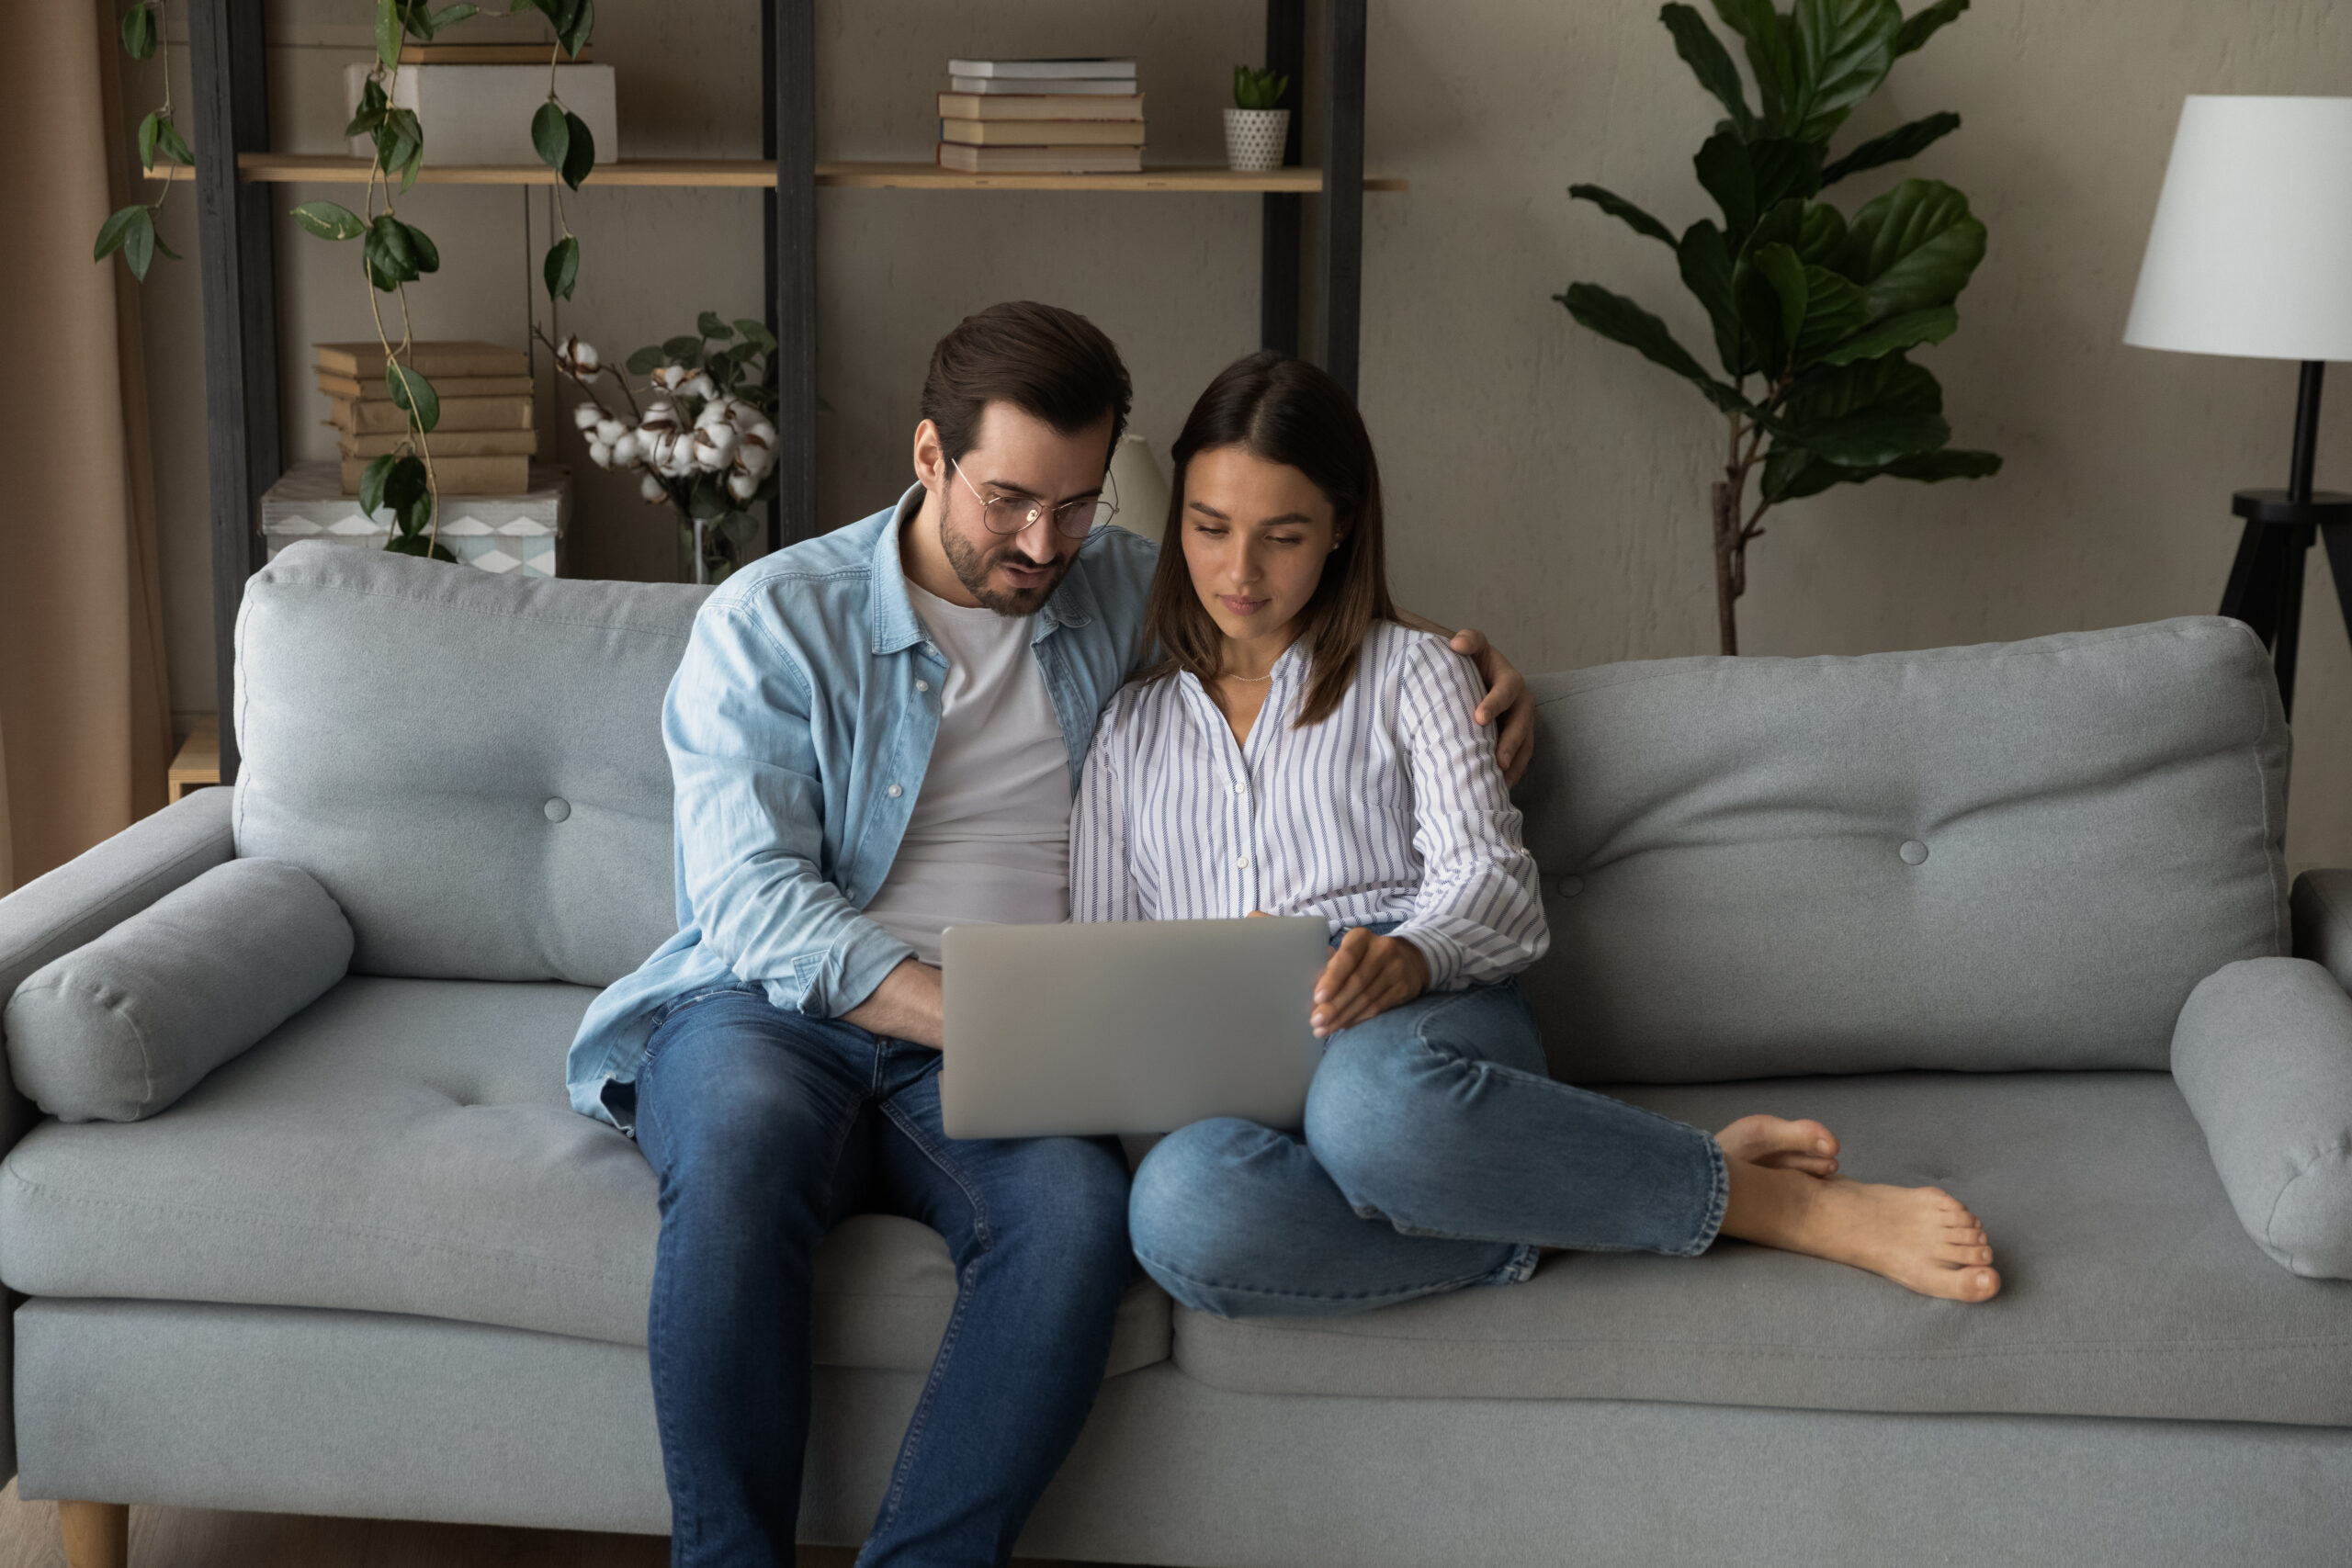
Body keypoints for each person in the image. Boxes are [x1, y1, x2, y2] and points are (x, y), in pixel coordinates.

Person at [563, 303, 1539, 1568]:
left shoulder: (1122, 583)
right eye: (1010, 500)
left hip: (1028, 1035)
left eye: (1078, 503)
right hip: (781, 1012)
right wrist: (955, 1007)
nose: (1042, 543)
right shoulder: (771, 619)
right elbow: (752, 897)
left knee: (1077, 1216)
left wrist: (1489, 678)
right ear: (929, 457)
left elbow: (1301, 606)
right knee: (741, 1144)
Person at [1075, 350, 2003, 1320]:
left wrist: (1408, 956)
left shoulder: (1413, 674)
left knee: (1371, 1111)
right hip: (1236, 1089)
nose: (1240, 571)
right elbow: (1102, 964)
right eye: (1209, 527)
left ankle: (1771, 1207)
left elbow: (1492, 883)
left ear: (1342, 528)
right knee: (1180, 1207)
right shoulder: (1128, 731)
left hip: (1415, 1038)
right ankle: (1634, 1192)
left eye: (1283, 536)